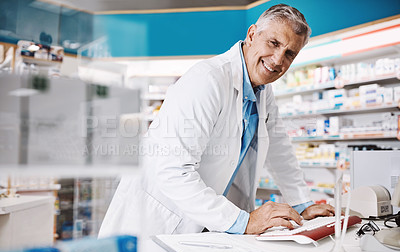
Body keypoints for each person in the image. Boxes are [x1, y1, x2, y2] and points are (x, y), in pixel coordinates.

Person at [98, 4, 335, 238]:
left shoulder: (262, 90)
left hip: (202, 226)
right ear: (252, 34)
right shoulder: (207, 80)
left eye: (289, 53)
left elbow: (278, 148)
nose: (277, 60)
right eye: (273, 43)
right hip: (157, 222)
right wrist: (243, 221)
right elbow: (173, 171)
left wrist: (302, 203)